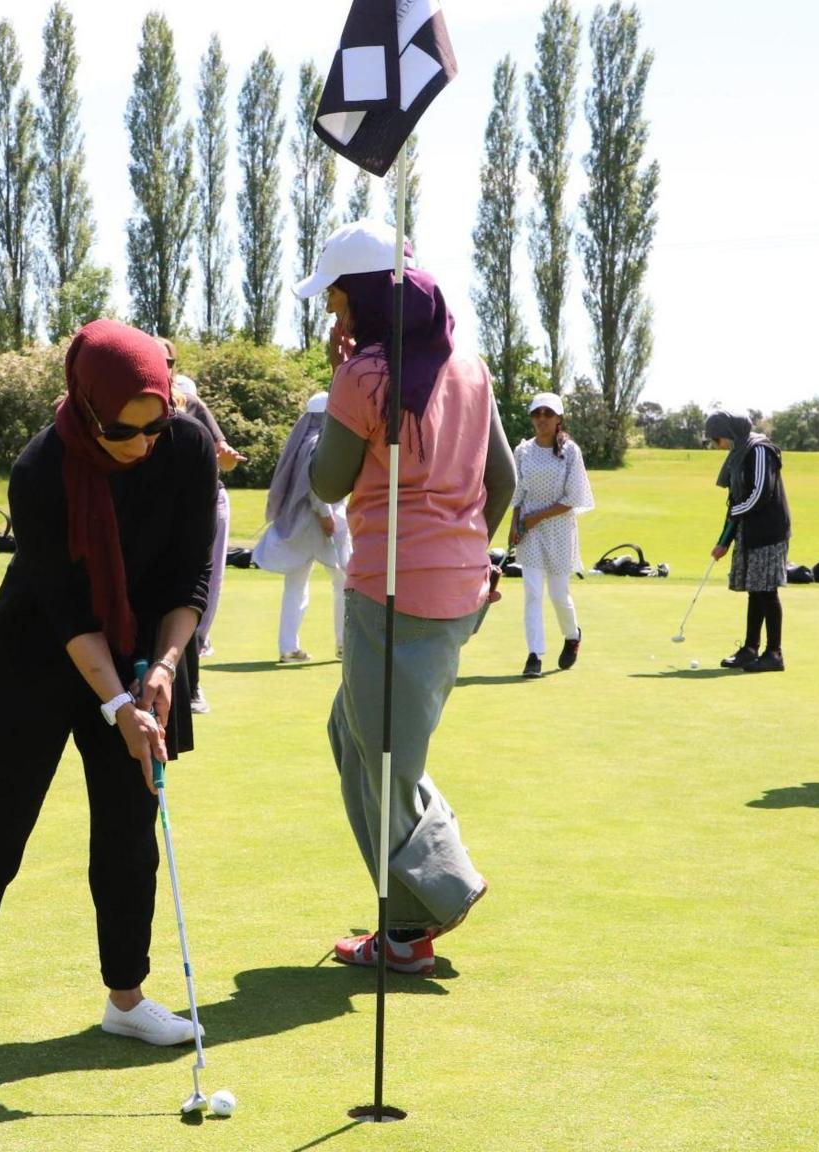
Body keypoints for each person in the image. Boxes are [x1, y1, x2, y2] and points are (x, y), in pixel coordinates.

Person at [0, 319, 217, 1064]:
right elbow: (69, 611)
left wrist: (164, 673)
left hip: (147, 653)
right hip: (36, 656)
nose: (144, 444)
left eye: (156, 423)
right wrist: (115, 707)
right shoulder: (40, 470)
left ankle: (126, 999)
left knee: (127, 831)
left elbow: (189, 581)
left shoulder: (188, 448)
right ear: (86, 404)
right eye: (125, 430)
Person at [299, 220, 515, 976]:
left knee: (383, 755)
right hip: (458, 586)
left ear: (362, 298)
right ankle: (411, 918)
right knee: (353, 733)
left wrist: (340, 386)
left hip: (391, 588)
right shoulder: (470, 364)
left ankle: (421, 914)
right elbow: (506, 484)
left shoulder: (363, 376)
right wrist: (464, 550)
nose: (334, 317)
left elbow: (326, 482)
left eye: (337, 302)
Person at [159, 338, 244, 713]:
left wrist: (224, 456)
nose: (164, 367)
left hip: (200, 505)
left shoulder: (191, 404)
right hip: (157, 507)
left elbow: (223, 458)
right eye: (156, 359)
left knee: (199, 588)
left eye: (169, 361)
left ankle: (192, 686)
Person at [252, 391, 351, 663]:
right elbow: (317, 486)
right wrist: (326, 516)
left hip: (301, 525)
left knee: (297, 584)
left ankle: (288, 647)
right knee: (343, 580)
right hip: (318, 525)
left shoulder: (305, 439)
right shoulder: (319, 442)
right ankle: (343, 644)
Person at [509, 391, 594, 679]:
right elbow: (518, 493)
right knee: (532, 593)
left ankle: (572, 635)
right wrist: (515, 524)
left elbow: (574, 497)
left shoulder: (571, 452)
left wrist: (535, 517)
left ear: (558, 418)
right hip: (529, 532)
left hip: (559, 528)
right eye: (537, 413)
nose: (541, 419)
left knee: (559, 595)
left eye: (547, 413)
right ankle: (534, 655)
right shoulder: (523, 451)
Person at [705, 409, 791, 673]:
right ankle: (750, 648)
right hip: (750, 530)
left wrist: (735, 515)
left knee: (767, 590)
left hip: (769, 530)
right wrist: (725, 540)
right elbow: (735, 502)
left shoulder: (760, 451)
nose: (717, 446)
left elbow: (760, 493)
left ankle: (774, 653)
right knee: (755, 590)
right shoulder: (738, 455)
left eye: (717, 440)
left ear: (730, 434)